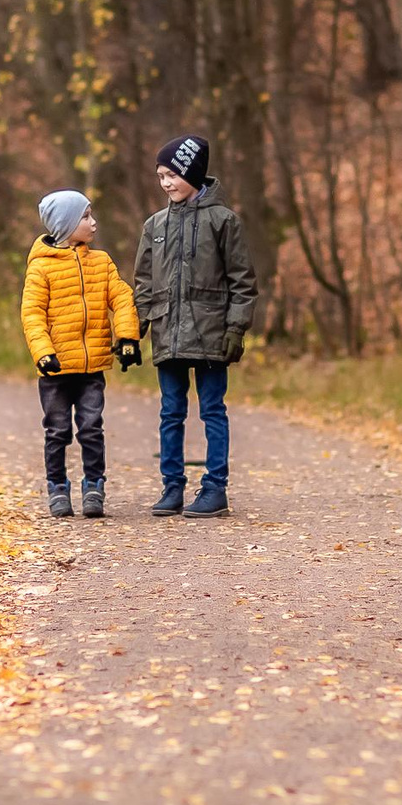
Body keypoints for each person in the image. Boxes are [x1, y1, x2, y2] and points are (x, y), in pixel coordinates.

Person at [131, 136, 258, 516]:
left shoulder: (223, 221)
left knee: (212, 410)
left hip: (211, 333)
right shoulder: (154, 225)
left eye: (173, 175)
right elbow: (142, 282)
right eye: (160, 176)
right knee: (171, 412)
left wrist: (236, 328)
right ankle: (172, 487)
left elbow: (243, 281)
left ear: (192, 173)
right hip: (167, 331)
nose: (166, 183)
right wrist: (132, 330)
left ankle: (215, 488)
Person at [20, 189, 141, 518]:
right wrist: (43, 352)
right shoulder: (41, 270)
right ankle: (57, 486)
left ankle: (94, 485)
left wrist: (128, 336)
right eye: (86, 216)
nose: (93, 222)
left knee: (91, 427)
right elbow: (32, 315)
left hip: (92, 368)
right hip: (56, 370)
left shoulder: (101, 263)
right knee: (57, 429)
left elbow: (122, 297)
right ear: (66, 224)